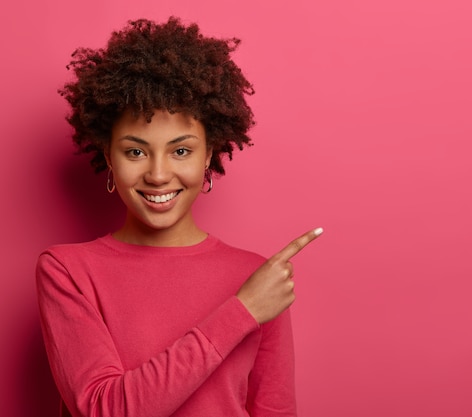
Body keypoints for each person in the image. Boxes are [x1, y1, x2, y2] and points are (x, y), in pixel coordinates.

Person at [35, 17, 322, 417]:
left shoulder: (259, 279)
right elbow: (105, 410)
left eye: (181, 151)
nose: (157, 174)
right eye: (135, 151)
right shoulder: (68, 271)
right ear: (108, 157)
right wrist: (240, 312)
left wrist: (254, 300)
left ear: (208, 155)